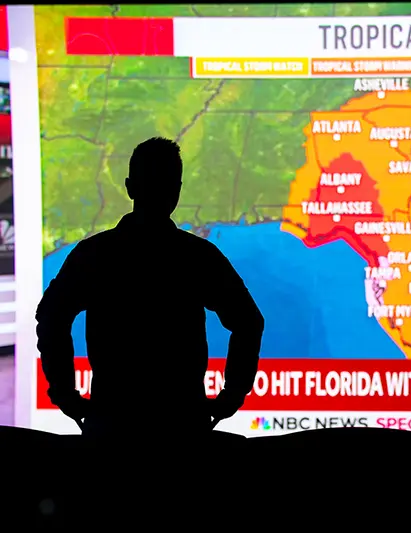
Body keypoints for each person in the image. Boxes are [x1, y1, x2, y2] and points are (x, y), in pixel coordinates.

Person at [36, 137, 265, 437]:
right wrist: (232, 394)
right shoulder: (198, 256)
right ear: (177, 190)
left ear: (130, 187)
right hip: (183, 426)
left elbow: (51, 318)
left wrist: (65, 395)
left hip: (111, 425)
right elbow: (249, 322)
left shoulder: (93, 254)